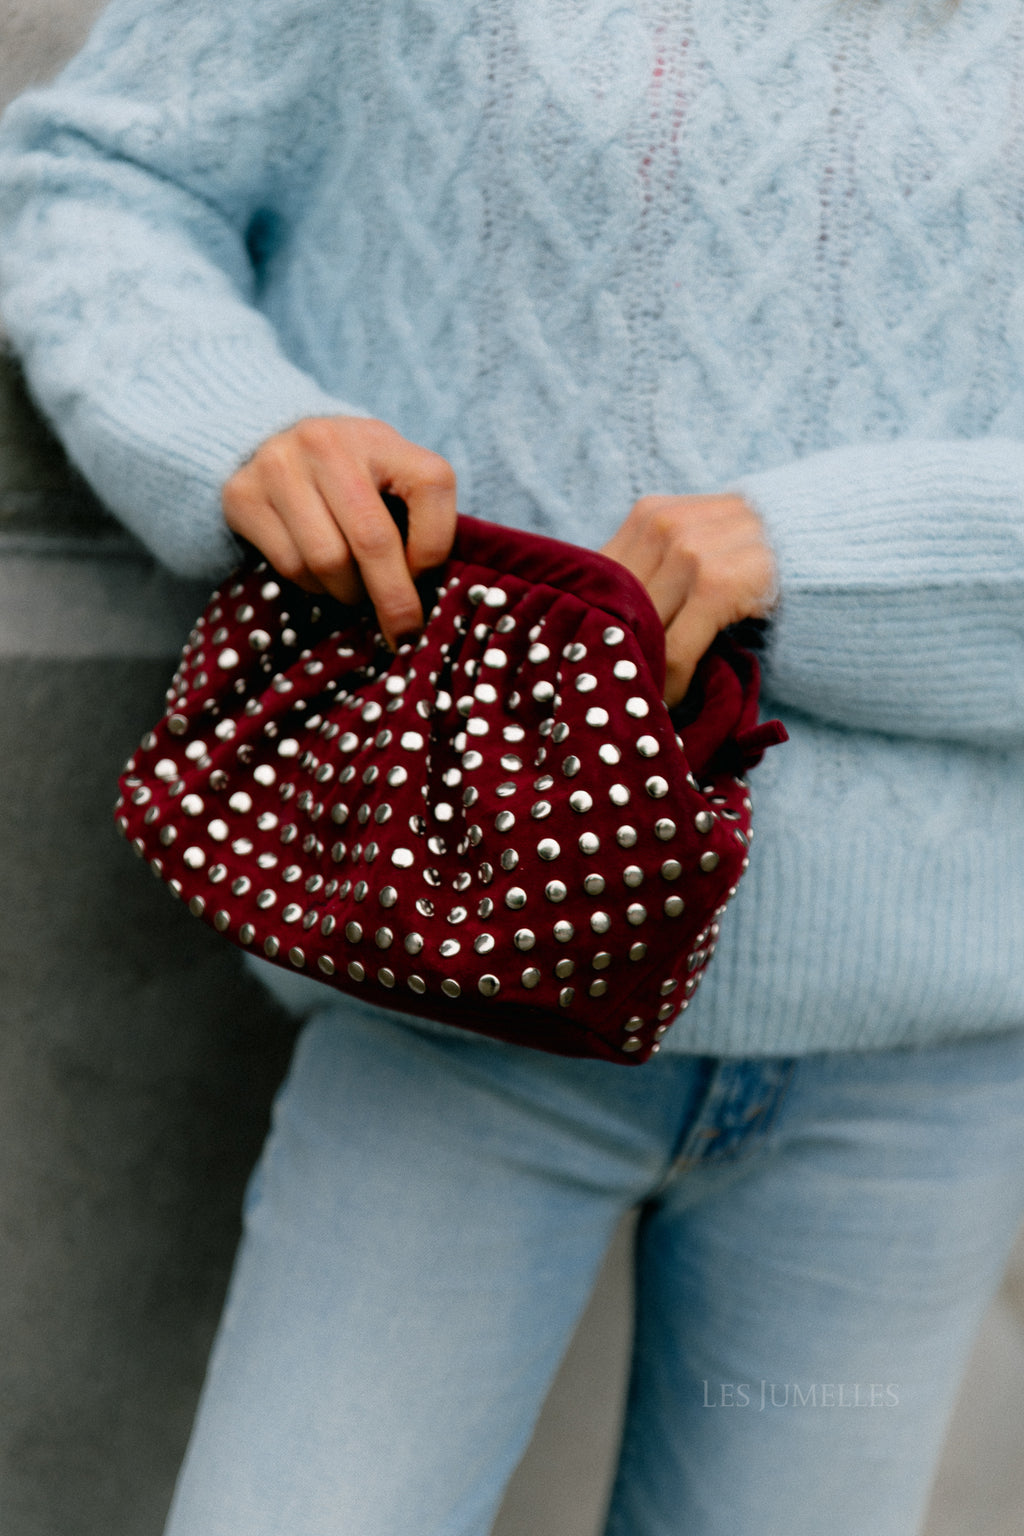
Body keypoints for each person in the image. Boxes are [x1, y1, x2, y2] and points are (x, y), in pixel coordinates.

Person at [2, 1, 1023, 1531]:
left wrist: (832, 557)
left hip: (921, 1068)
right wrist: (243, 427)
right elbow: (96, 174)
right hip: (454, 997)